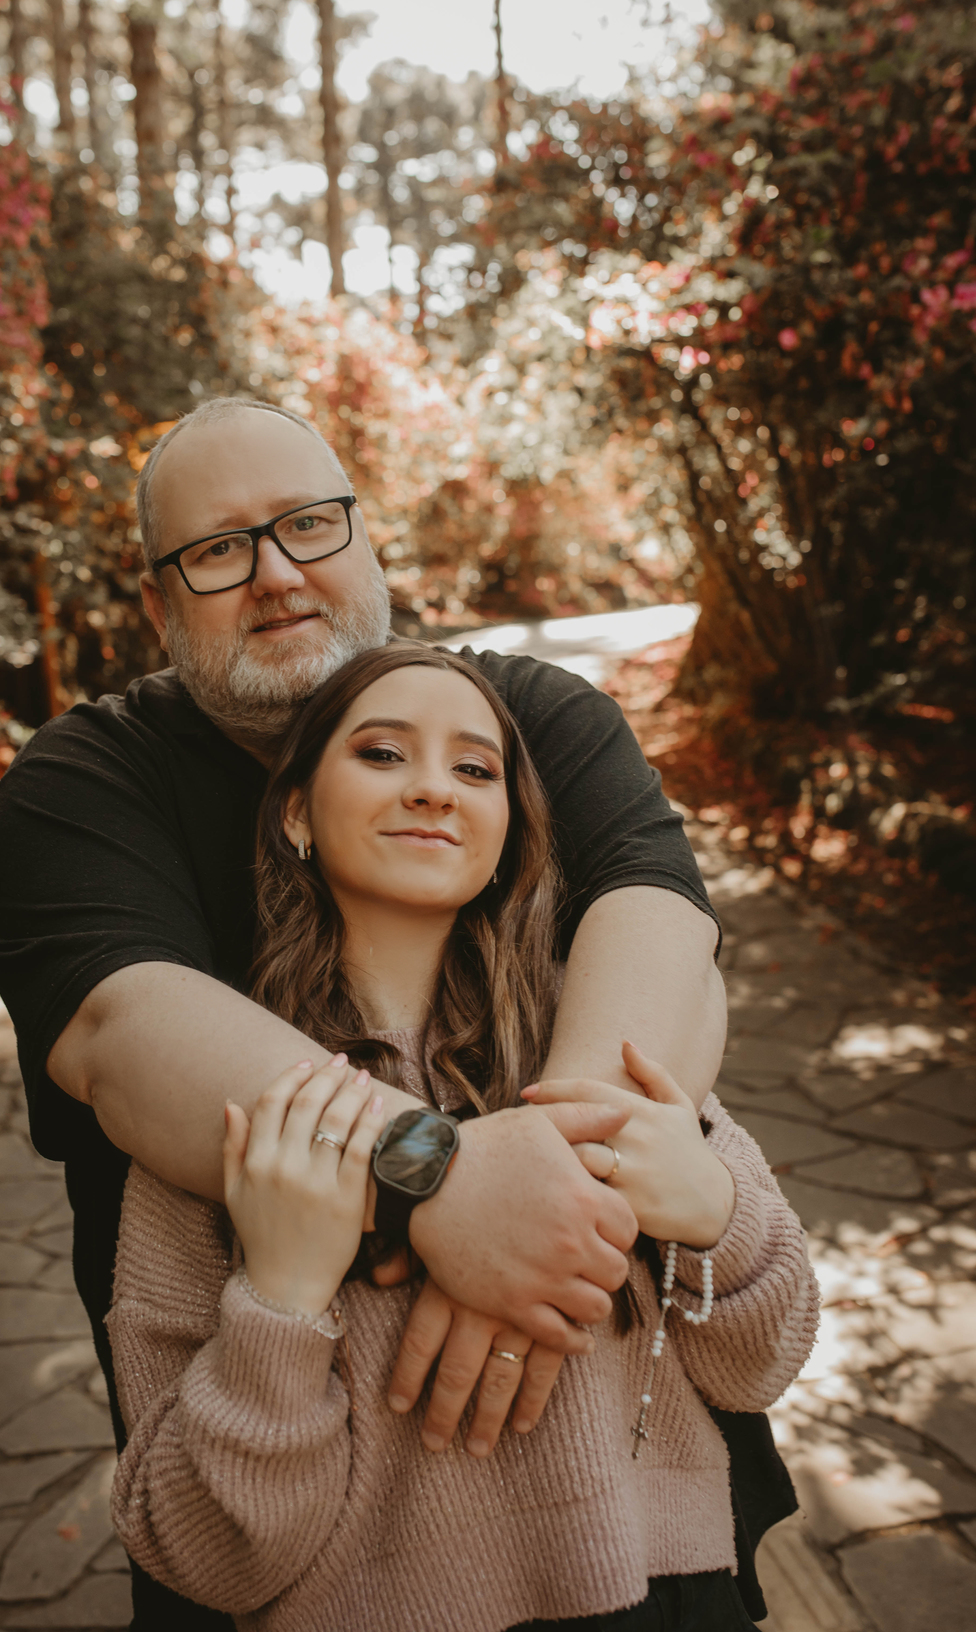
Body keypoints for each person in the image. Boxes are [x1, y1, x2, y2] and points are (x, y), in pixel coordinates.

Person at [0, 397, 783, 1630]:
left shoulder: (532, 716)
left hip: (631, 1524)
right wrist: (441, 1179)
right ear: (156, 600)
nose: (277, 574)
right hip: (297, 1523)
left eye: (309, 524)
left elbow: (663, 931)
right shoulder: (85, 782)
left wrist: (539, 1202)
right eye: (218, 549)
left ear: (365, 537)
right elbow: (122, 1032)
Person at [108, 643, 819, 1631]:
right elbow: (204, 1554)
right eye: (383, 754)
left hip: (668, 1597)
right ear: (296, 812)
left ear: (509, 832)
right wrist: (282, 1300)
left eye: (476, 769)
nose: (434, 789)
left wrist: (716, 1214)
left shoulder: (604, 1039)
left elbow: (762, 1363)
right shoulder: (219, 1088)